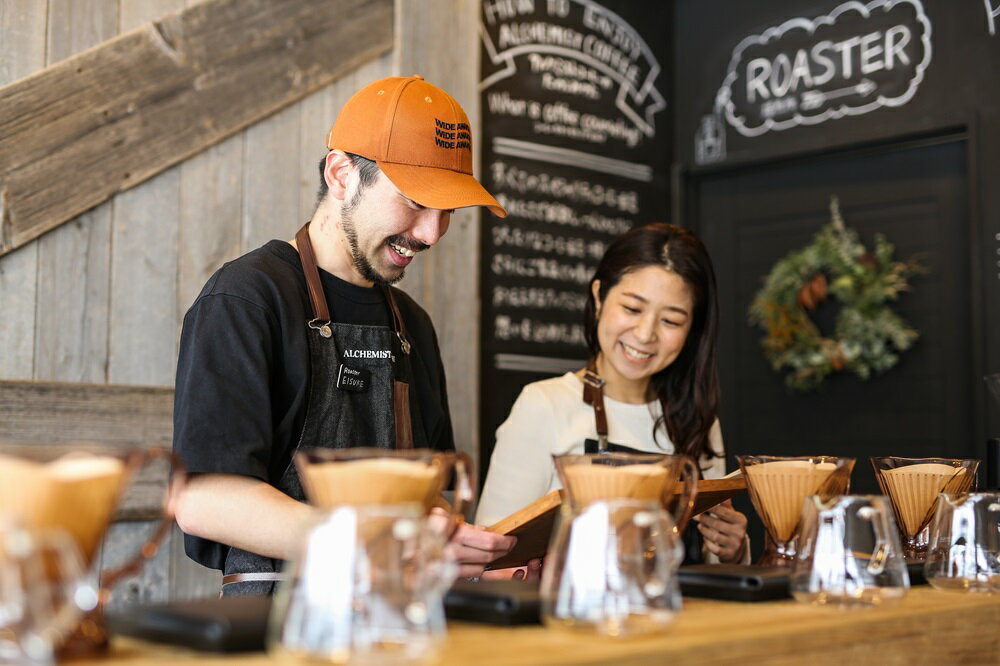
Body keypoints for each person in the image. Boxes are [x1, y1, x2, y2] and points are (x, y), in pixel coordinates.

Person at [173, 75, 516, 596]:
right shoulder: (247, 298)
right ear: (341, 174)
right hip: (279, 622)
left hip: (401, 617)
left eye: (447, 211)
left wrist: (470, 560)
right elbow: (204, 500)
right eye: (414, 201)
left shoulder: (412, 326)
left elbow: (427, 504)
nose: (431, 233)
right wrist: (370, 541)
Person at [476, 223, 748, 565]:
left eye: (671, 321)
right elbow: (489, 557)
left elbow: (708, 567)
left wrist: (733, 550)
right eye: (632, 309)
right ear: (599, 296)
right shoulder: (544, 405)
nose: (645, 334)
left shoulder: (699, 421)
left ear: (692, 330)